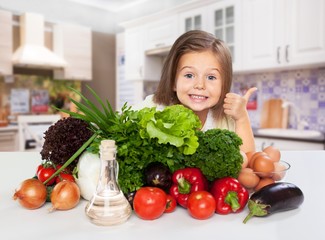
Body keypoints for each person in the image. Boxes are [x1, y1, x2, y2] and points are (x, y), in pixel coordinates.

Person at [133, 30, 256, 153]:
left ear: (224, 84)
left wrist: (242, 118)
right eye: (189, 75)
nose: (200, 85)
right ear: (173, 81)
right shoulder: (153, 107)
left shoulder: (227, 119)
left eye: (211, 77)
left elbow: (248, 159)